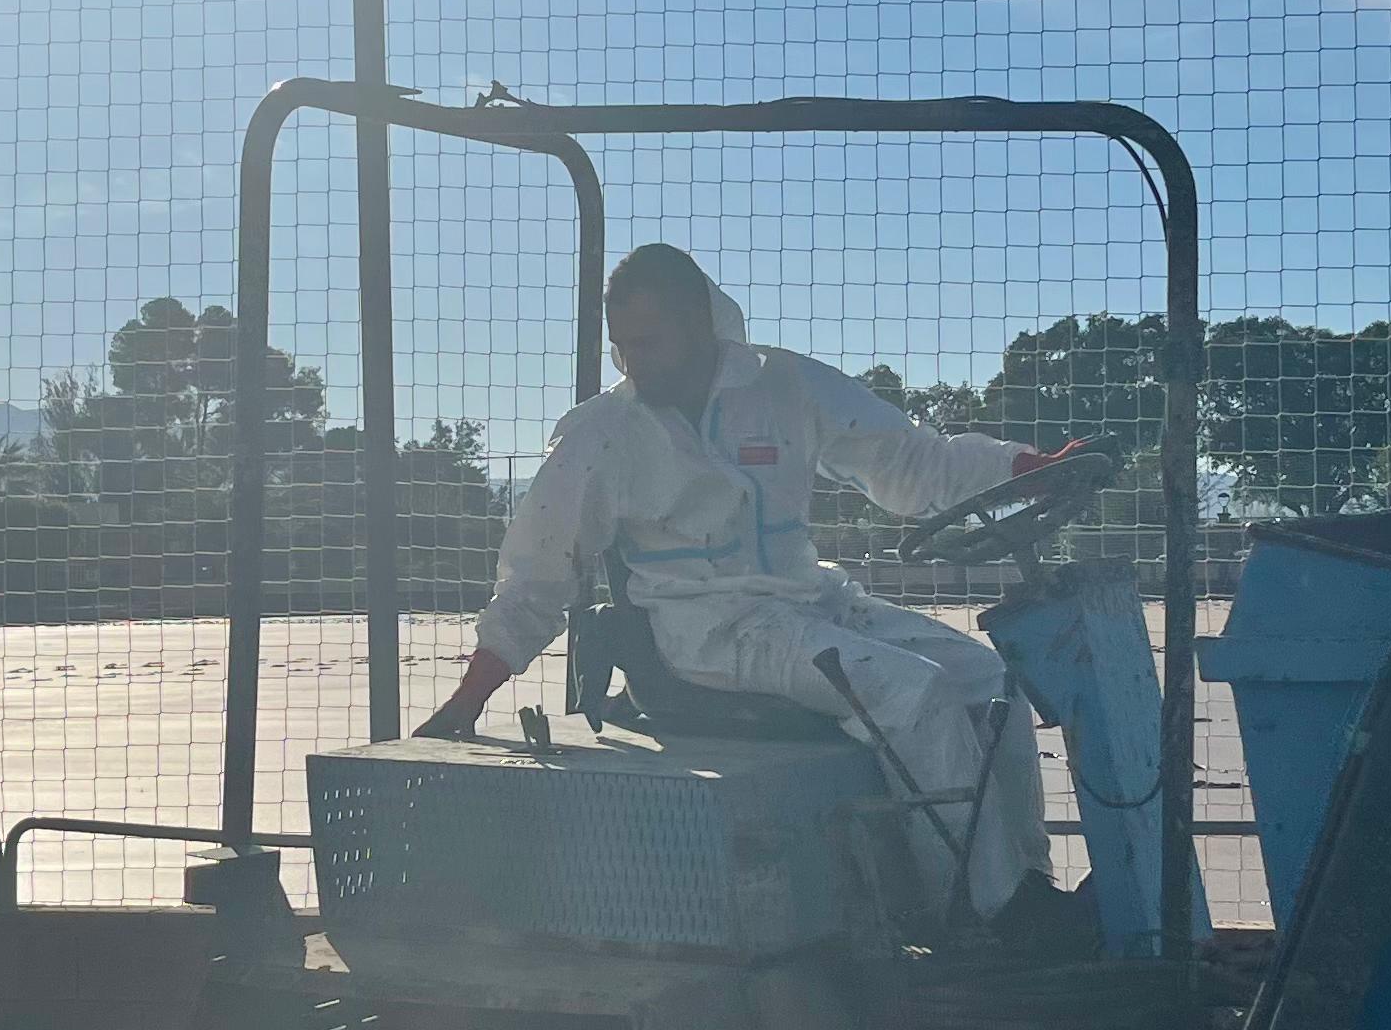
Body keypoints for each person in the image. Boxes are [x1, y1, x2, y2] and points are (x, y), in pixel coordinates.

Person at [425, 242, 1096, 950]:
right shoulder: (604, 436)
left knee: (990, 683)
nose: (635, 362)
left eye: (649, 342)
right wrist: (466, 703)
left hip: (807, 602)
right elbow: (537, 577)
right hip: (709, 630)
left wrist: (1030, 467)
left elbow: (909, 460)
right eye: (623, 346)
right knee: (913, 695)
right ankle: (983, 918)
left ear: (699, 320)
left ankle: (1024, 885)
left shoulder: (785, 386)